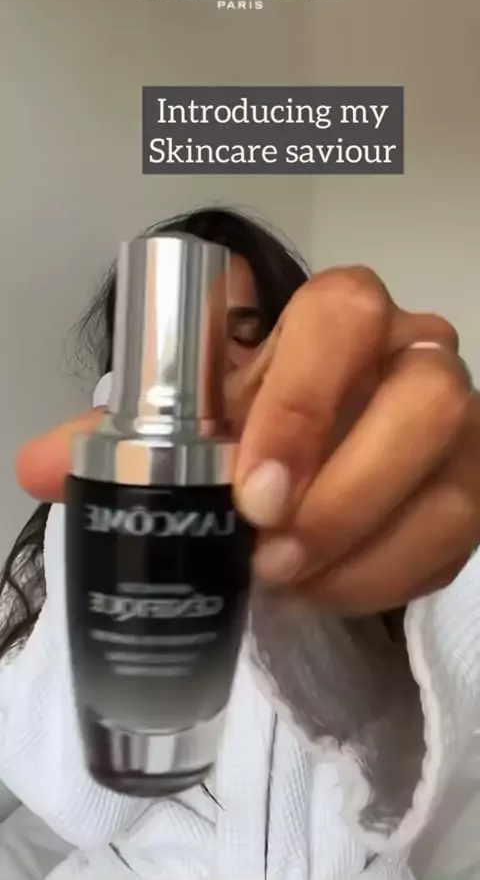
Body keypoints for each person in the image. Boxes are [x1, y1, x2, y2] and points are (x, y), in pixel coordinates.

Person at [1, 205, 480, 880]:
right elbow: (76, 806)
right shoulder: (60, 536)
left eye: (246, 333)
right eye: (171, 337)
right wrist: (120, 499)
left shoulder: (344, 510)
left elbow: (438, 740)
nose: (208, 360)